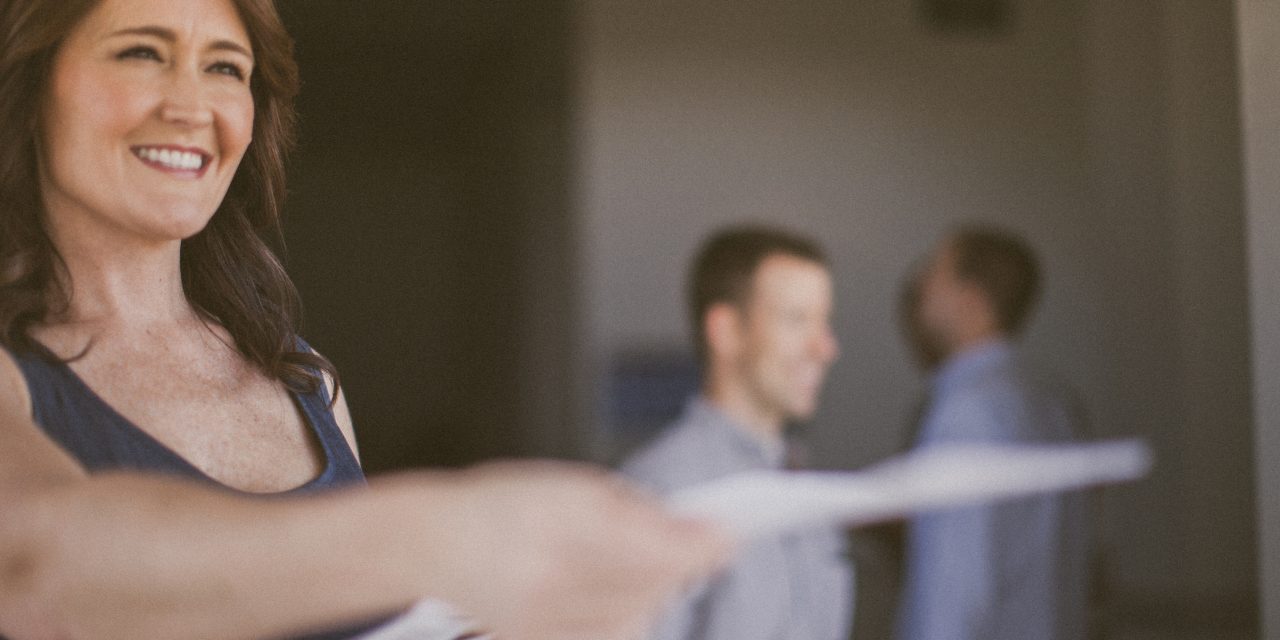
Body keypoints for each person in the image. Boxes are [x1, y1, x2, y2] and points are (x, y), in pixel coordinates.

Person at [0, 1, 732, 639]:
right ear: (32, 89)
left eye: (225, 68)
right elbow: (36, 570)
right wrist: (445, 533)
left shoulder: (304, 380)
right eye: (141, 52)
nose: (193, 106)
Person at [621, 226, 854, 640]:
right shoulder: (664, 489)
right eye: (797, 319)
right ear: (726, 331)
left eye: (825, 321)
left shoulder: (807, 488)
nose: (825, 348)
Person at [895, 226, 1090, 640]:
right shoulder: (1056, 404)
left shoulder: (966, 413)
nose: (917, 291)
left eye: (932, 276)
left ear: (971, 300)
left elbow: (951, 592)